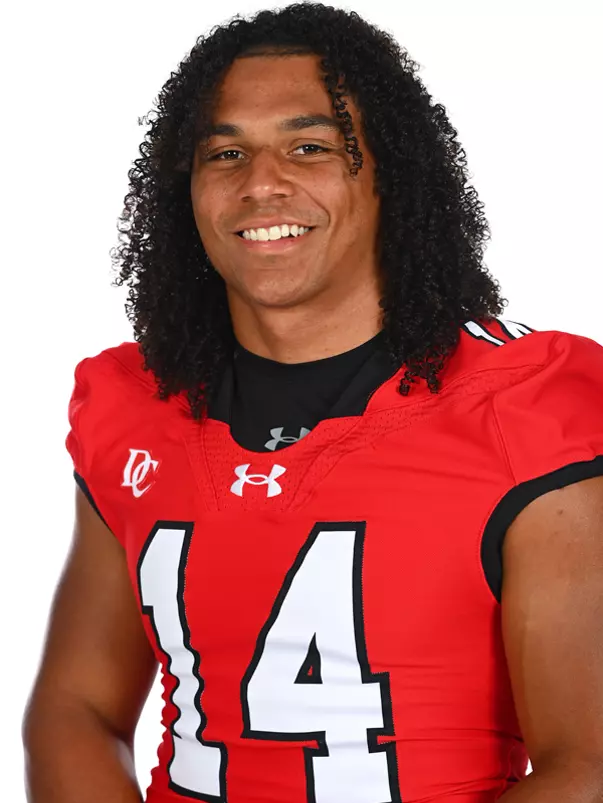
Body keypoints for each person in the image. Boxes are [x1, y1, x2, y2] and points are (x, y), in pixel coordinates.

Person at [22, 4, 603, 802]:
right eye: (224, 152)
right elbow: (75, 706)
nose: (261, 183)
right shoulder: (133, 402)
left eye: (310, 146)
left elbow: (589, 763)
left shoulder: (526, 404)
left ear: (390, 174)